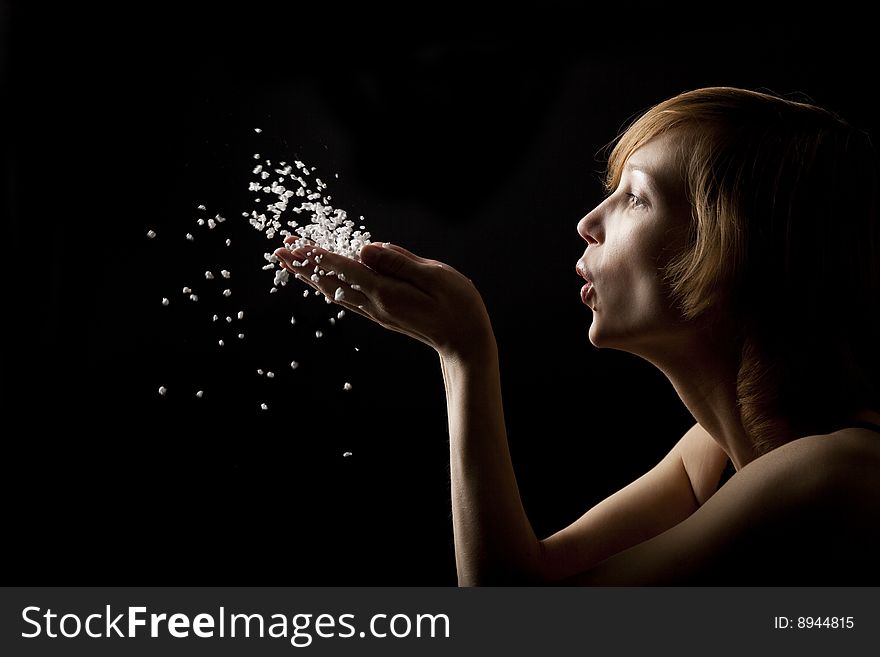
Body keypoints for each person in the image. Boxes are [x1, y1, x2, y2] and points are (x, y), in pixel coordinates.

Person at [275, 87, 880, 585]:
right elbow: (533, 580)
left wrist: (465, 356)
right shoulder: (713, 452)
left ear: (731, 255)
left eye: (637, 198)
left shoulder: (834, 474)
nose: (589, 222)